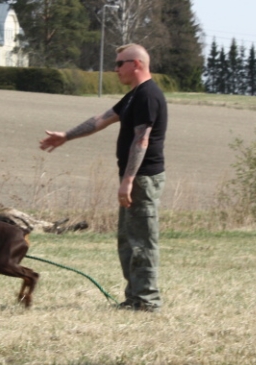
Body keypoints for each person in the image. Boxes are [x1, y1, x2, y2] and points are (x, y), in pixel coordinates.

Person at [39, 43, 167, 313]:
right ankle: (135, 298)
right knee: (128, 240)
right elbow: (101, 119)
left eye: (120, 64)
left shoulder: (148, 95)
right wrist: (66, 136)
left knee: (143, 241)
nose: (115, 69)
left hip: (143, 178)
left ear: (136, 64)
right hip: (134, 177)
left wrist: (129, 179)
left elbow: (141, 140)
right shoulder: (134, 95)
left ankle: (147, 300)